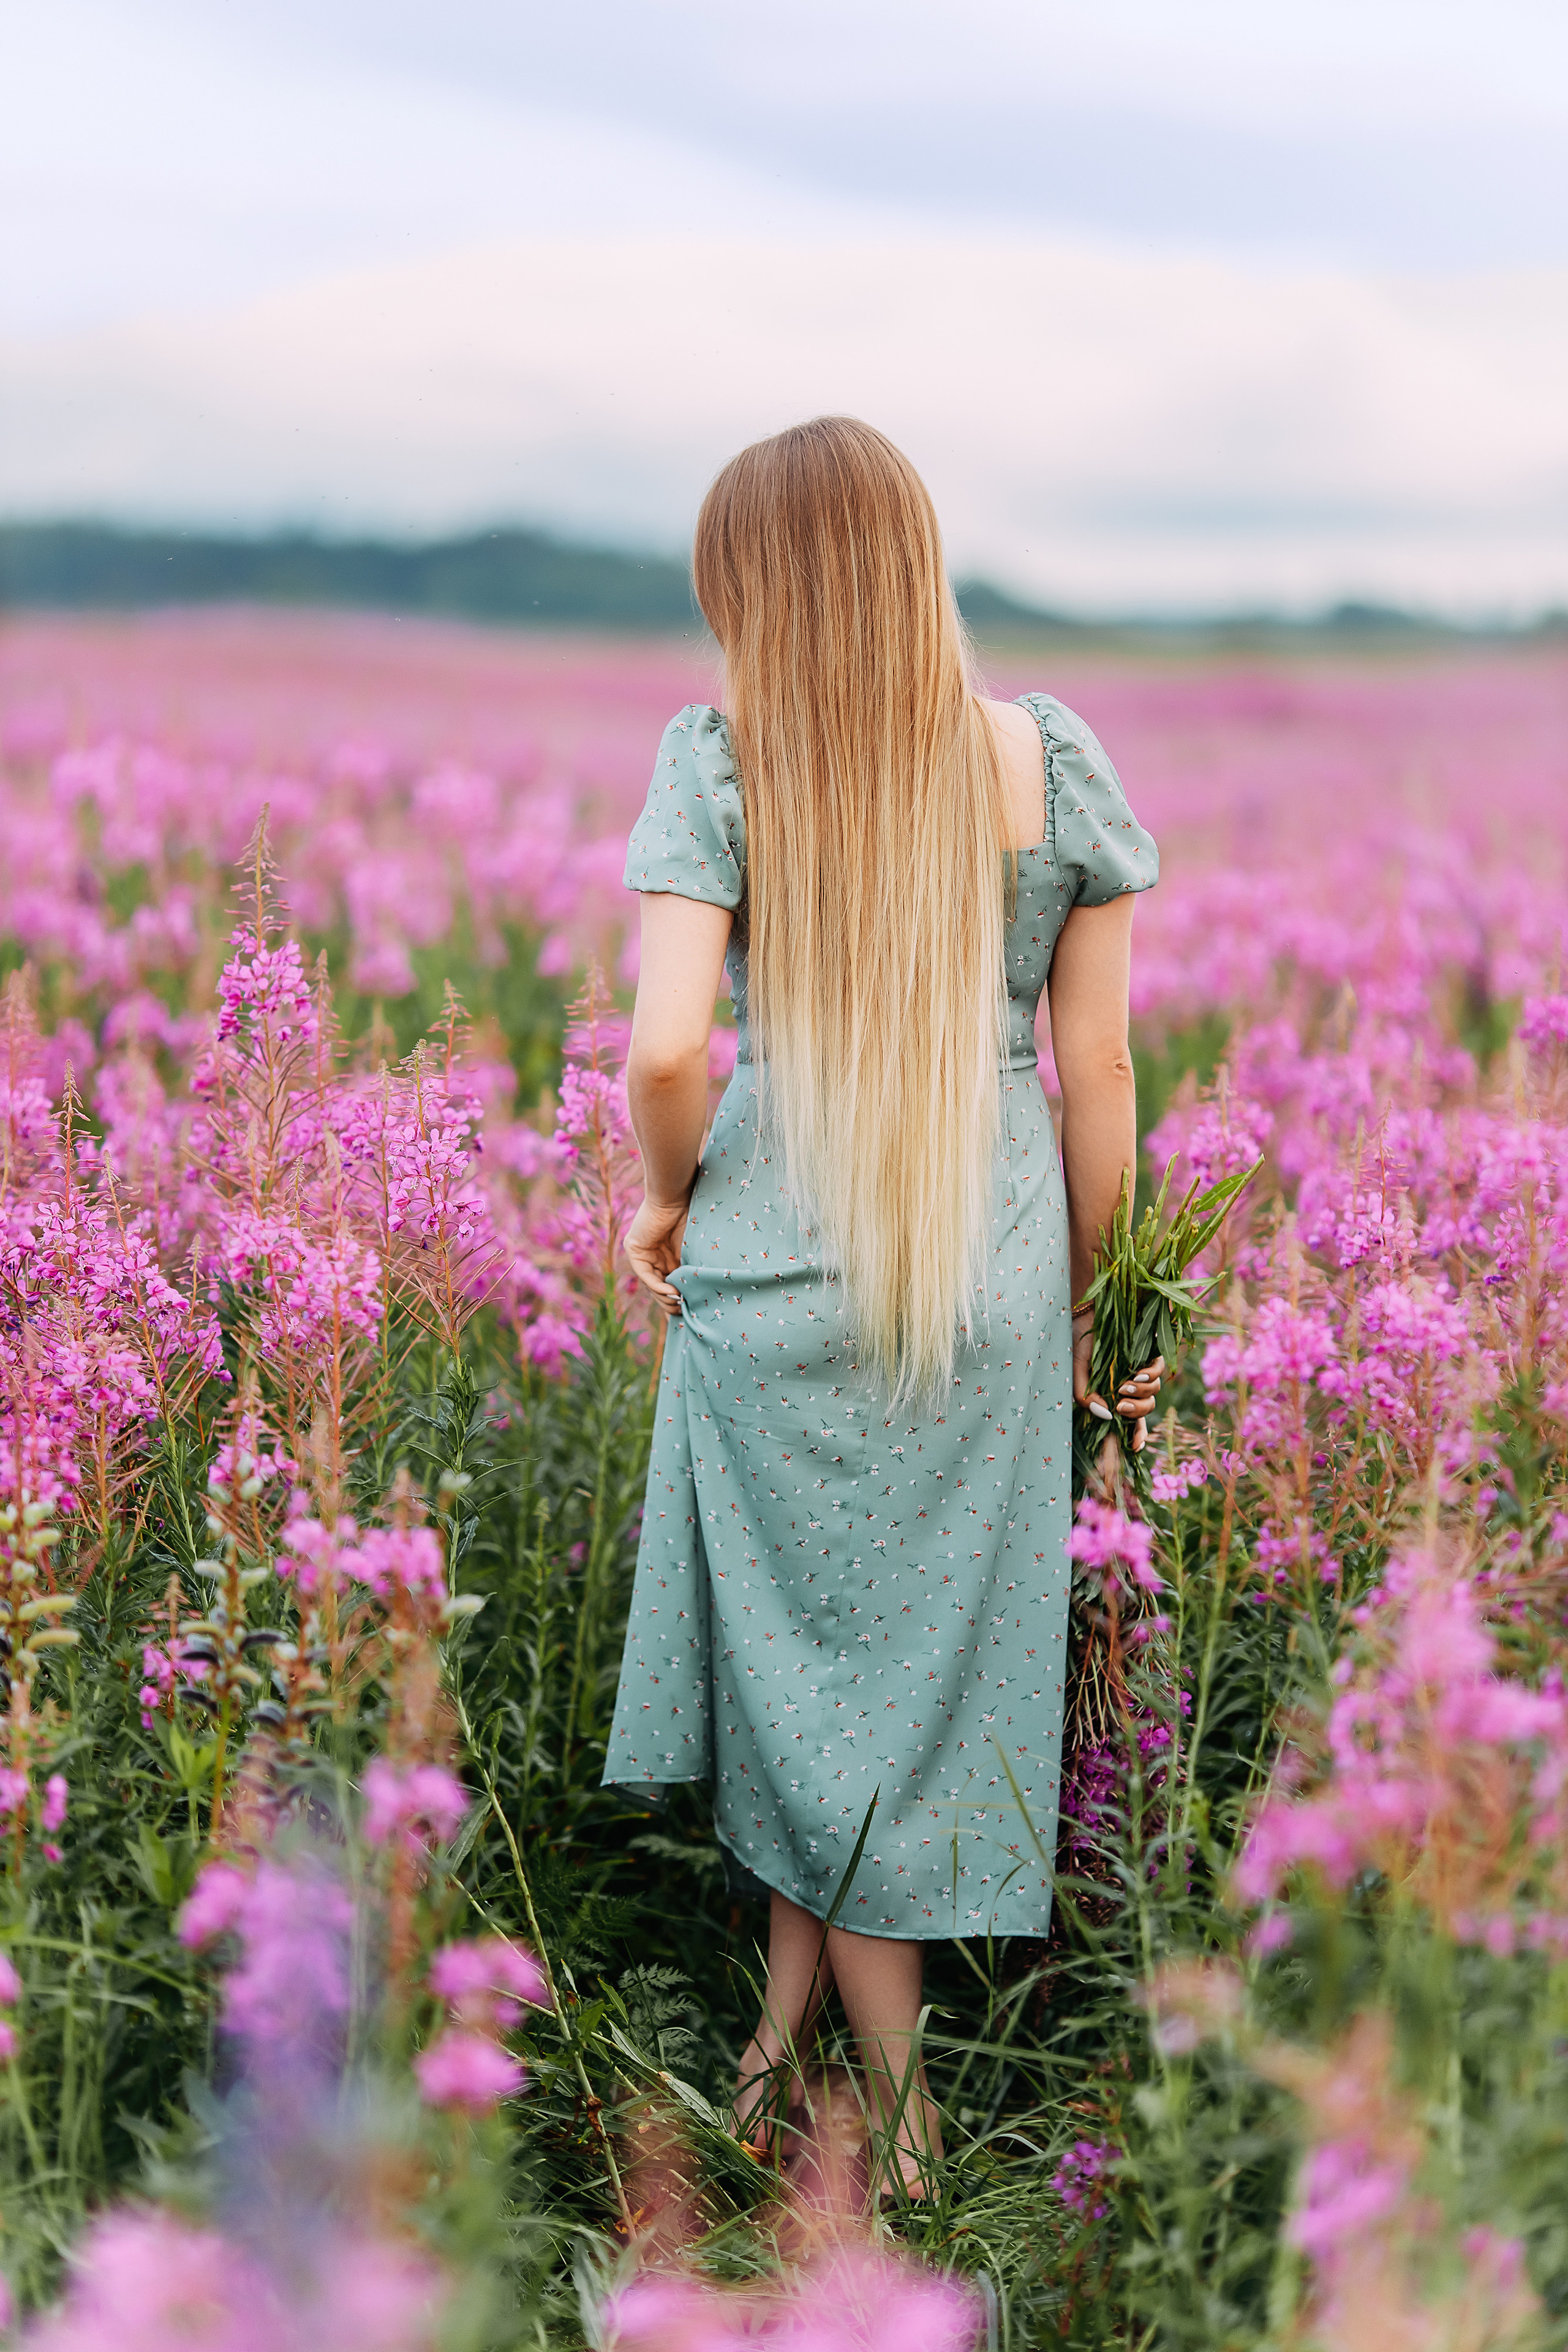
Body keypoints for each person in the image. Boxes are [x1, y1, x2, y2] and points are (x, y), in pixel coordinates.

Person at [605, 417, 1162, 2199]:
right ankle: (782, 2044)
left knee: (807, 1661)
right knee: (890, 1674)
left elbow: (671, 1046)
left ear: (756, 597)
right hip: (983, 1268)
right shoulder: (1048, 763)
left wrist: (670, 1195)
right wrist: (1075, 1302)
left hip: (782, 1252)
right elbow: (1105, 1073)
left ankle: (900, 2122)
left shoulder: (723, 762)